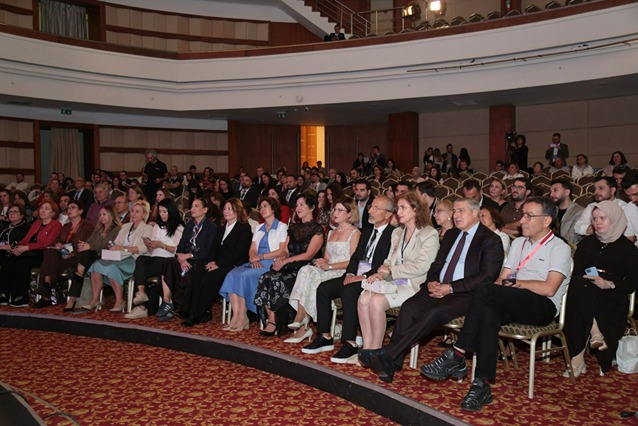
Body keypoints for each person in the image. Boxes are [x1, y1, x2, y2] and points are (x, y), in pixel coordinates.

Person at [421, 197, 571, 412]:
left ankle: (458, 352)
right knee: (489, 313)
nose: (522, 220)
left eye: (529, 216)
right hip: (514, 298)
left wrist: (517, 283)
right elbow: (502, 279)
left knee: (484, 289)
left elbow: (549, 288)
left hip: (542, 305)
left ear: (546, 220)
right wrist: (506, 286)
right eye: (523, 215)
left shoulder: (559, 248)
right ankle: (481, 384)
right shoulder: (518, 243)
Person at [358, 198, 503, 383]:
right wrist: (432, 281)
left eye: (461, 211)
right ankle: (391, 362)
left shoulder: (491, 240)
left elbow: (486, 276)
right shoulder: (451, 235)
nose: (456, 215)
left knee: (433, 312)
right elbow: (436, 264)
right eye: (454, 211)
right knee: (409, 307)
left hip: (466, 293)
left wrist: (451, 287)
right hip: (438, 286)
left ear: (475, 213)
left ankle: (388, 354)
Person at [301, 196, 395, 362]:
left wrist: (362, 276)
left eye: (376, 208)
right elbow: (356, 257)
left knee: (349, 291)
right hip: (356, 275)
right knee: (323, 288)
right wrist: (350, 273)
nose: (370, 211)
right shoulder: (367, 232)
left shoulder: (393, 234)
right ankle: (324, 336)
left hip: (376, 277)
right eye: (371, 207)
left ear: (388, 214)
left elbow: (384, 262)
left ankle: (350, 342)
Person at [357, 192, 439, 352]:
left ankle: (375, 351)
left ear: (415, 209)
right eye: (398, 208)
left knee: (376, 302)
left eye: (403, 208)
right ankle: (367, 349)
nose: (398, 212)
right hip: (394, 282)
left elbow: (422, 267)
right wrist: (380, 274)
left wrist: (391, 270)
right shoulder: (397, 232)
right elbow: (389, 260)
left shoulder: (429, 234)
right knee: (364, 298)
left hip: (414, 285)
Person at [563, 201, 638, 377]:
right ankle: (594, 333)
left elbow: (632, 283)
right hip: (585, 291)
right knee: (579, 285)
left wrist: (609, 284)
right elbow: (577, 272)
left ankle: (578, 358)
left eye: (603, 218)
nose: (597, 223)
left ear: (614, 219)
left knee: (580, 298)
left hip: (612, 296)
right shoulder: (586, 243)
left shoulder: (628, 249)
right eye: (595, 219)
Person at [286, 199, 361, 343]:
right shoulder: (332, 232)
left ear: (349, 214)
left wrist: (330, 266)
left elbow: (353, 262)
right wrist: (322, 262)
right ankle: (301, 316)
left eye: (340, 210)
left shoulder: (354, 233)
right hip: (329, 269)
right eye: (334, 209)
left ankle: (303, 321)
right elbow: (327, 257)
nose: (335, 213)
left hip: (342, 271)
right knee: (306, 270)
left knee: (314, 277)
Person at [254, 194, 324, 337]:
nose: (298, 208)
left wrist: (286, 261)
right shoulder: (293, 227)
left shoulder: (317, 229)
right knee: (264, 278)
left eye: (302, 205)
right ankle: (272, 320)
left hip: (305, 268)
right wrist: (279, 260)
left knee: (276, 279)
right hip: (289, 265)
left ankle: (278, 321)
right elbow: (285, 250)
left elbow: (309, 255)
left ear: (312, 208)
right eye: (297, 205)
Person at [179, 198, 252, 327]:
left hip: (233, 265)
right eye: (225, 209)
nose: (226, 211)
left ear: (237, 211)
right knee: (199, 270)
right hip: (218, 263)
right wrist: (212, 261)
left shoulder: (244, 228)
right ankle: (187, 308)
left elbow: (238, 252)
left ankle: (196, 314)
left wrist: (218, 264)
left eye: (230, 209)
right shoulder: (222, 227)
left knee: (211, 276)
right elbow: (213, 248)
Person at [220, 196, 288, 332]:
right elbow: (252, 249)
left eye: (265, 206)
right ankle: (237, 315)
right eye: (260, 207)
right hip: (256, 261)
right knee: (232, 274)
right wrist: (254, 258)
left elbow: (281, 251)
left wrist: (260, 257)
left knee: (244, 275)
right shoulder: (259, 227)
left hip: (271, 262)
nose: (262, 209)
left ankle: (243, 316)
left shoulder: (282, 227)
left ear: (273, 208)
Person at [83, 200, 152, 312]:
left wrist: (124, 248)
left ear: (144, 214)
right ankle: (95, 299)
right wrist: (113, 247)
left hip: (134, 258)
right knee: (96, 265)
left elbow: (144, 248)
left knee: (112, 267)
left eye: (137, 212)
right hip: (119, 256)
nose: (133, 214)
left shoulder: (148, 228)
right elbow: (116, 242)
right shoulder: (125, 226)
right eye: (132, 211)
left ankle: (119, 301)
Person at [156, 198, 217, 322]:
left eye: (196, 206)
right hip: (185, 258)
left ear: (205, 210)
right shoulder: (189, 225)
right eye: (192, 206)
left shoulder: (211, 227)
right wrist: (181, 258)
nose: (192, 209)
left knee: (194, 270)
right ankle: (167, 302)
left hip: (200, 259)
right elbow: (180, 246)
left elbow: (209, 251)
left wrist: (189, 256)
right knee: (168, 262)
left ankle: (187, 307)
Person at [125, 199, 184, 319]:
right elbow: (152, 251)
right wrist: (149, 245)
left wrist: (162, 245)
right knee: (140, 260)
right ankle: (141, 293)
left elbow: (179, 250)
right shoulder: (157, 226)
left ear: (171, 211)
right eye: (160, 211)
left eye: (164, 212)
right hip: (155, 257)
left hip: (168, 261)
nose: (162, 214)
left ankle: (142, 306)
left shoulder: (179, 228)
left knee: (142, 269)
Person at [0, 201, 62, 307]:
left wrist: (25, 248)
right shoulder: (36, 223)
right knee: (10, 260)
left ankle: (22, 297)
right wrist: (16, 248)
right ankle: (4, 294)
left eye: (47, 208)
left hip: (42, 254)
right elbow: (26, 240)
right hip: (29, 251)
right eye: (41, 208)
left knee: (22, 263)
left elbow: (46, 243)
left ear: (53, 213)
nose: (42, 211)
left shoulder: (56, 225)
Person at [33, 200, 94, 308]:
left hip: (77, 258)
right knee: (50, 252)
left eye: (73, 207)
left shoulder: (88, 227)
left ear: (80, 211)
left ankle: (46, 297)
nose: (69, 210)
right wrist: (58, 244)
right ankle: (47, 285)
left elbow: (88, 247)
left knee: (49, 263)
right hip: (63, 255)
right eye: (68, 208)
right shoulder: (66, 226)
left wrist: (72, 254)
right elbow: (57, 240)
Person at [63, 206, 122, 311]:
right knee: (85, 255)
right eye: (100, 215)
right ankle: (73, 296)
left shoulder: (116, 229)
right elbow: (90, 242)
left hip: (106, 256)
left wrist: (89, 246)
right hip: (93, 256)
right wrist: (84, 245)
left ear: (112, 215)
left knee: (83, 261)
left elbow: (106, 245)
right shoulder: (99, 229)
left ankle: (72, 299)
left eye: (104, 214)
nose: (101, 217)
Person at [573, 176, 638, 243]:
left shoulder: (623, 207)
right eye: (595, 189)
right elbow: (577, 228)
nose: (596, 192)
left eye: (601, 188)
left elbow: (627, 237)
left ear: (612, 190)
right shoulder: (591, 206)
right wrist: (597, 228)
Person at [0, 204, 30, 305]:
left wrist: (3, 247)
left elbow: (19, 244)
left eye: (15, 211)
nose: (11, 214)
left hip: (20, 254)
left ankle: (6, 294)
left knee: (11, 262)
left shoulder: (26, 228)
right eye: (10, 212)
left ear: (22, 215)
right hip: (3, 253)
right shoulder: (4, 227)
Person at [550, 178, 584, 247]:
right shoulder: (551, 209)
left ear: (567, 192)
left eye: (555, 190)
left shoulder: (579, 211)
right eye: (551, 191)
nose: (551, 194)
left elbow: (572, 239)